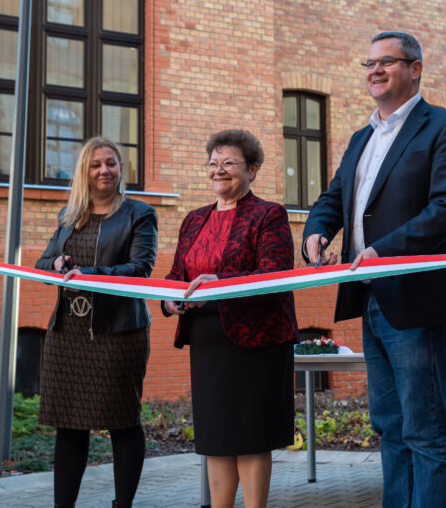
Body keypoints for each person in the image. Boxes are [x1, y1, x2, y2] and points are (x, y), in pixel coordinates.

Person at [303, 31, 446, 508]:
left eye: (387, 61)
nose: (375, 70)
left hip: (418, 299)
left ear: (415, 69)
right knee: (390, 427)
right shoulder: (362, 138)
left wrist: (385, 249)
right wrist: (316, 232)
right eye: (369, 63)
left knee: (424, 429)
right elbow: (333, 198)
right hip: (369, 296)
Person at [162, 129, 298, 508]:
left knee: (250, 437)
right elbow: (176, 276)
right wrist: (170, 300)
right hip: (208, 341)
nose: (218, 170)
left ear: (252, 169)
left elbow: (274, 275)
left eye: (229, 163)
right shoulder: (193, 219)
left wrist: (220, 282)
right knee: (217, 438)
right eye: (213, 163)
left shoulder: (269, 214)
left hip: (255, 342)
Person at [36, 136, 158, 508]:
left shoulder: (139, 213)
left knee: (122, 420)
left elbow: (140, 269)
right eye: (96, 164)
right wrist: (57, 264)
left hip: (118, 332)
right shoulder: (69, 215)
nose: (104, 170)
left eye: (111, 163)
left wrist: (88, 274)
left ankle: (123, 505)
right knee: (69, 424)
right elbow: (43, 264)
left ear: (121, 168)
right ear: (84, 172)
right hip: (68, 334)